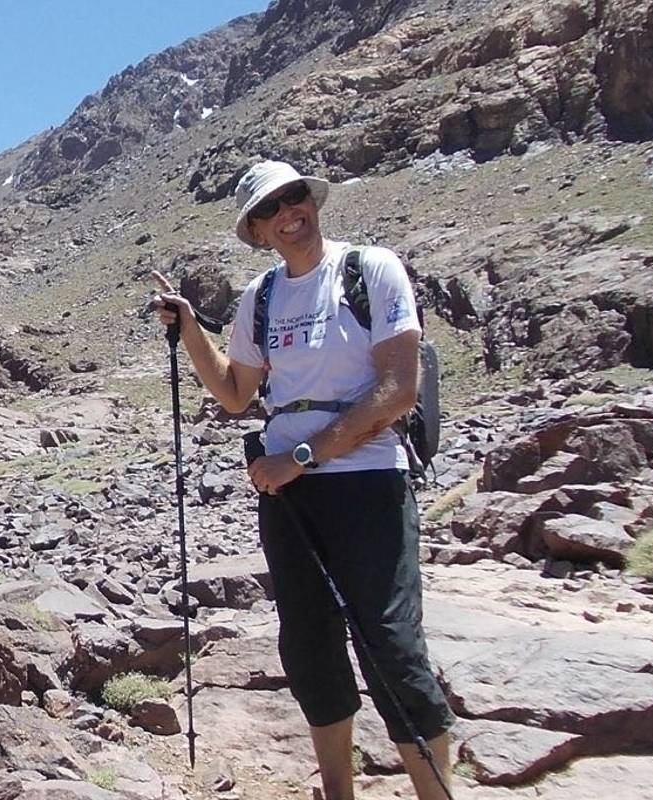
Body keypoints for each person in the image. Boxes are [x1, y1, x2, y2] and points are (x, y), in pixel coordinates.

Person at [151, 160, 455, 800]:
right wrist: (189, 329)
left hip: (367, 481)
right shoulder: (261, 297)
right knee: (311, 647)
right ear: (256, 229)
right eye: (271, 209)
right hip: (289, 494)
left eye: (295, 198)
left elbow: (399, 390)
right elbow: (236, 393)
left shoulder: (370, 270)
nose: (289, 213)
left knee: (392, 645)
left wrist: (304, 457)